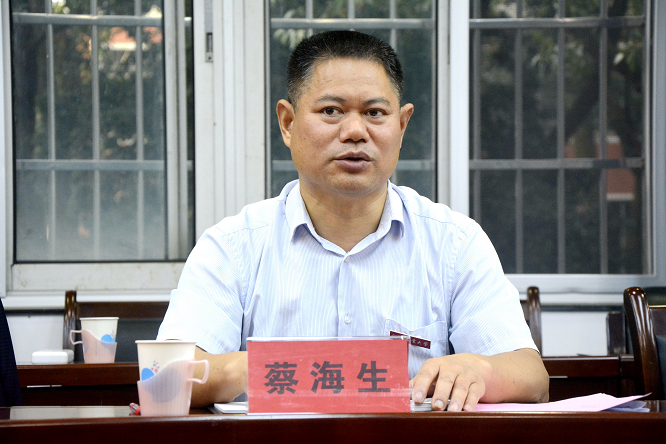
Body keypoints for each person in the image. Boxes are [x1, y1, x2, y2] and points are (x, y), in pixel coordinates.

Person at [157, 30, 549, 411]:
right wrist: (272, 366)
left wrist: (480, 370)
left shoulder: (454, 243)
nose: (355, 132)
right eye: (331, 111)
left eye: (375, 113)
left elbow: (531, 377)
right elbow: (165, 377)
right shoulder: (233, 247)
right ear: (288, 123)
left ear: (402, 125)